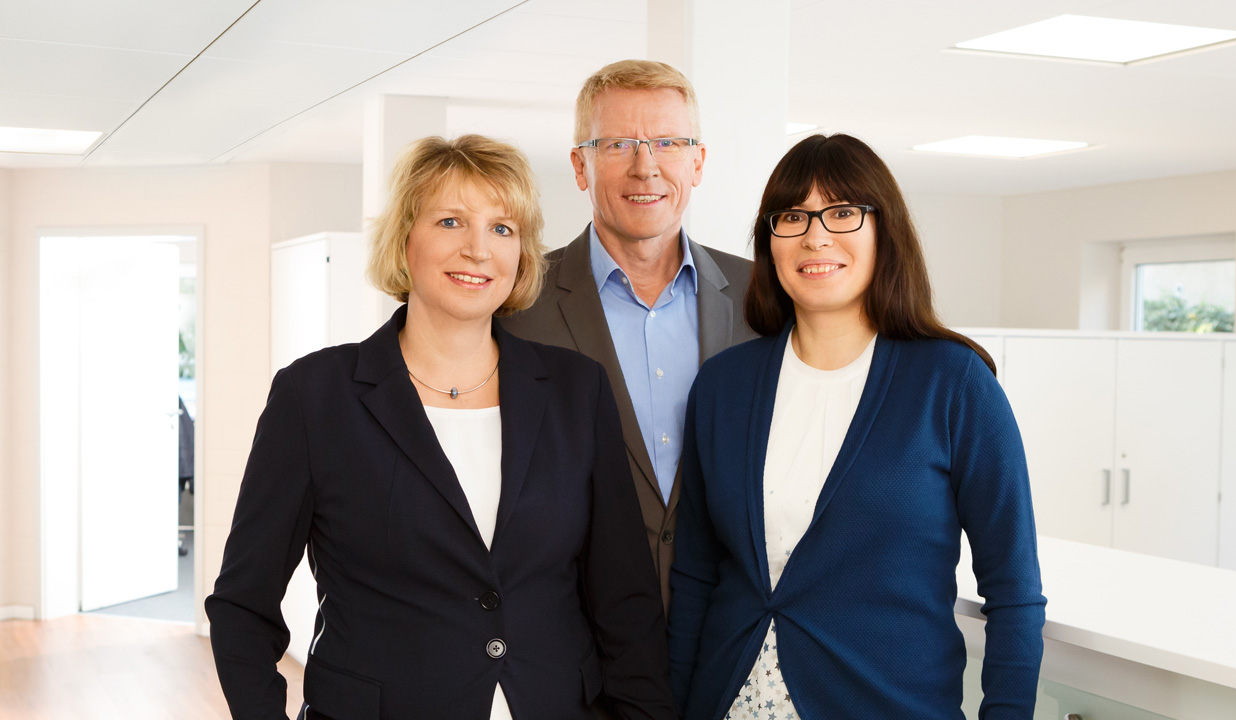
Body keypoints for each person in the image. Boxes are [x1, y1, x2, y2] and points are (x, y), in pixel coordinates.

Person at [206, 135, 675, 720]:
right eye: (451, 221)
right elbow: (241, 606)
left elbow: (624, 602)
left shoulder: (578, 390)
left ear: (523, 254)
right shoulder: (315, 395)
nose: (478, 250)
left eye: (503, 229)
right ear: (404, 239)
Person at [667, 133, 1046, 719]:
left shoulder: (953, 382)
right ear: (770, 242)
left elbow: (1014, 589)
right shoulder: (723, 386)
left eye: (842, 212)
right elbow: (695, 575)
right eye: (792, 216)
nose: (816, 235)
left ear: (884, 231)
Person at [500, 60, 755, 611]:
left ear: (698, 161)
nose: (646, 167)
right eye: (618, 145)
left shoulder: (762, 298)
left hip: (722, 641)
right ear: (580, 166)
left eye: (667, 142)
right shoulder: (517, 304)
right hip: (573, 646)